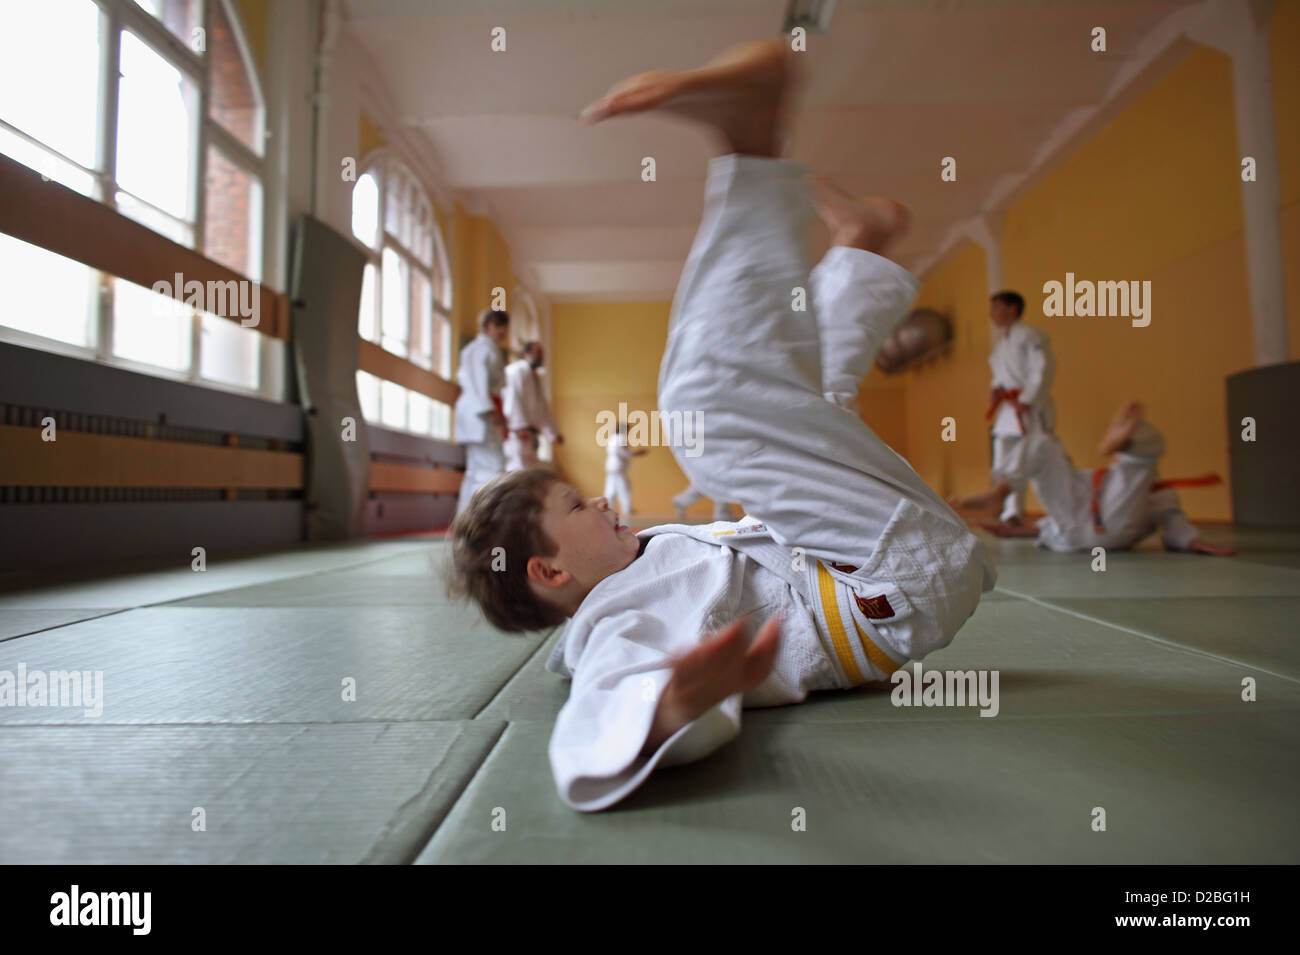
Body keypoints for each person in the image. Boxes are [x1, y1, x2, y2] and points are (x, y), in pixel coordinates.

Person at [447, 39, 994, 811]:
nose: (601, 502)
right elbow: (597, 716)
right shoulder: (613, 622)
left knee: (803, 409)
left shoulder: (636, 564)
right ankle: (750, 147)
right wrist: (673, 704)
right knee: (710, 426)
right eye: (577, 509)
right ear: (550, 572)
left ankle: (858, 250)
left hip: (875, 565)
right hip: (883, 588)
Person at [950, 400, 1236, 556]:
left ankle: (1003, 488)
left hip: (1096, 526)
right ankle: (1003, 489)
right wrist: (1189, 540)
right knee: (1049, 447)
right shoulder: (1149, 494)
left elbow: (1172, 519)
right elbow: (1172, 519)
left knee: (1045, 448)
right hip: (1099, 527)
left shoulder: (1146, 493)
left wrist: (1190, 541)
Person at [986, 290, 1056, 527]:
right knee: (1003, 461)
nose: (992, 314)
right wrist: (995, 388)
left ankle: (1056, 511)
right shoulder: (1001, 345)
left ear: (1012, 309)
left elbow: (1043, 368)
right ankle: (1010, 512)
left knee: (1032, 457)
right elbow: (999, 376)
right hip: (1007, 410)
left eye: (996, 307)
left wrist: (1028, 398)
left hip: (1028, 407)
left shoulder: (1030, 335)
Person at [453, 309, 509, 515]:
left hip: (482, 408)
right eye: (498, 325)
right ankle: (485, 517)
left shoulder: (488, 349)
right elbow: (476, 381)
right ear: (487, 326)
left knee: (476, 470)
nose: (502, 331)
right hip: (480, 411)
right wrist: (489, 410)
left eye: (504, 326)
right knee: (492, 467)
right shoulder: (479, 349)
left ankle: (466, 517)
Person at [503, 341, 563, 470]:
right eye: (538, 352)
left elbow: (542, 408)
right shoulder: (516, 371)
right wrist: (519, 426)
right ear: (526, 353)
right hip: (518, 432)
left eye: (542, 353)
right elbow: (513, 399)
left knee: (528, 471)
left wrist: (553, 433)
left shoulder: (534, 376)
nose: (541, 356)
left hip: (531, 433)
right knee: (517, 471)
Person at [602, 422, 647, 515]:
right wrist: (638, 453)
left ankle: (606, 508)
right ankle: (626, 509)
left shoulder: (612, 438)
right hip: (618, 466)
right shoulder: (620, 439)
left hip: (612, 466)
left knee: (611, 489)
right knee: (624, 488)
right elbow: (623, 453)